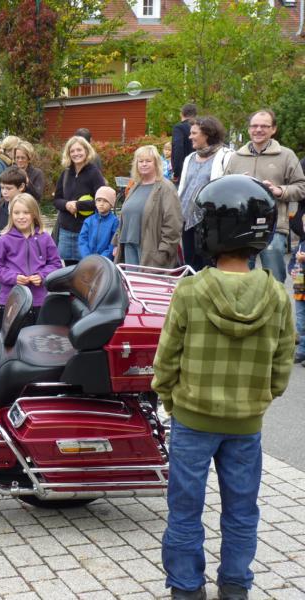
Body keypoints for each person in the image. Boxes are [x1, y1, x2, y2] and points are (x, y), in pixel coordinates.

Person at [152, 174, 295, 600]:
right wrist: (260, 399)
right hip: (245, 424)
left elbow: (166, 360)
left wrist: (170, 400)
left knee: (184, 510)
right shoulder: (277, 295)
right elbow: (282, 364)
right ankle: (234, 586)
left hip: (193, 420)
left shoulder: (190, 290)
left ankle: (186, 587)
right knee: (242, 510)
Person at [224, 109, 305, 283]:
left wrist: (279, 191)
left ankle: (275, 300)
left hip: (274, 226)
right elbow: (225, 189)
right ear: (248, 129)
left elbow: (302, 187)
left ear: (273, 129)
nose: (258, 129)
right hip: (241, 226)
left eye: (264, 126)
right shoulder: (236, 157)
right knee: (241, 280)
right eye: (254, 126)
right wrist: (236, 186)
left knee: (274, 279)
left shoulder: (286, 155)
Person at [0, 192, 62, 332]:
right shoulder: (4, 239)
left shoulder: (45, 238)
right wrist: (13, 277)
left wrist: (42, 276)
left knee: (35, 340)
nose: (21, 217)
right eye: (16, 213)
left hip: (38, 301)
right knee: (10, 342)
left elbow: (56, 264)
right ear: (11, 215)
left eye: (26, 212)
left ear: (34, 214)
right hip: (11, 300)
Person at [178, 116, 234, 271]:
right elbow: (183, 189)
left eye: (194, 133)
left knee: (208, 265)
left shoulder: (226, 156)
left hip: (209, 222)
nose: (190, 137)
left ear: (207, 134)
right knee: (190, 264)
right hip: (187, 220)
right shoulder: (190, 158)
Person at [114, 145, 182, 267]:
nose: (144, 164)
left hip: (151, 250)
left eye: (148, 161)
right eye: (140, 161)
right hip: (128, 245)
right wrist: (116, 243)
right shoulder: (135, 186)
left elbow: (173, 223)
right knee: (131, 279)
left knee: (144, 280)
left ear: (156, 163)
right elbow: (124, 216)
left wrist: (164, 251)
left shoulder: (166, 188)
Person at [52, 135, 107, 263]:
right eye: (72, 151)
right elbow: (56, 200)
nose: (76, 153)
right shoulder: (65, 173)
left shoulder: (94, 173)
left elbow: (102, 201)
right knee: (68, 269)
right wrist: (66, 205)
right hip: (66, 231)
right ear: (68, 154)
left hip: (86, 231)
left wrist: (78, 205)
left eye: (79, 150)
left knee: (85, 268)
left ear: (86, 151)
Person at [0, 166, 28, 312]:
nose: (4, 191)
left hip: (24, 274)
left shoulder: (29, 212)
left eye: (9, 188)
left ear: (21, 187)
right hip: (2, 273)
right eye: (2, 187)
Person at [78, 186, 119, 260]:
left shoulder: (115, 222)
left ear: (111, 204)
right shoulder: (88, 221)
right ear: (95, 202)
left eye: (105, 201)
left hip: (105, 261)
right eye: (99, 200)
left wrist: (101, 259)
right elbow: (82, 241)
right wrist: (87, 257)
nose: (101, 204)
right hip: (88, 260)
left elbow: (113, 244)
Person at [289, 212, 305, 364]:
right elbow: (292, 263)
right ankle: (302, 351)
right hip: (300, 289)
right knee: (300, 322)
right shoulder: (300, 245)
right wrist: (292, 270)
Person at [172, 103, 197, 183]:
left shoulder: (179, 128)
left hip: (184, 170)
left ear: (181, 113)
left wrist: (176, 172)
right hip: (200, 168)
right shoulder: (201, 127)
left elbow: (178, 148)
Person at [0, 135, 20, 204]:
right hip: (1, 203)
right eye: (16, 149)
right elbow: (4, 181)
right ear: (10, 149)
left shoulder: (13, 163)